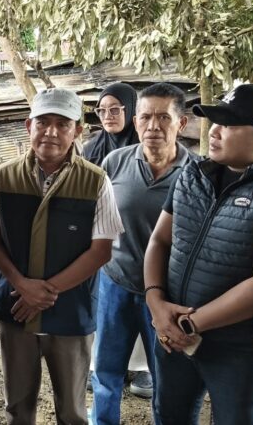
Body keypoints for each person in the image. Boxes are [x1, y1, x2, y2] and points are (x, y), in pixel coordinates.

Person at [0, 88, 123, 425]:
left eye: (63, 124)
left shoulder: (96, 181)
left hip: (70, 311)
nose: (51, 132)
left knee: (73, 411)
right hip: (14, 306)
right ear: (27, 125)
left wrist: (44, 293)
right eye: (43, 122)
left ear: (77, 131)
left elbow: (100, 251)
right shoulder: (3, 177)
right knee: (18, 406)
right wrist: (23, 286)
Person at [144, 83, 253, 424]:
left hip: (240, 349)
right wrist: (156, 303)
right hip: (173, 336)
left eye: (230, 125)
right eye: (215, 121)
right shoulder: (193, 174)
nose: (215, 131)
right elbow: (160, 241)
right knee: (169, 416)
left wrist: (190, 323)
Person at [90, 83, 194, 425]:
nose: (154, 126)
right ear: (135, 122)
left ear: (182, 123)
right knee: (106, 370)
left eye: (164, 117)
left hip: (169, 295)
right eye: (146, 117)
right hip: (114, 283)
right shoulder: (114, 163)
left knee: (168, 376)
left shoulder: (198, 174)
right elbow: (97, 221)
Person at [83, 83, 140, 166]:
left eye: (114, 109)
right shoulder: (90, 150)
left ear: (131, 109)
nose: (107, 116)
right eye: (102, 110)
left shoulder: (148, 148)